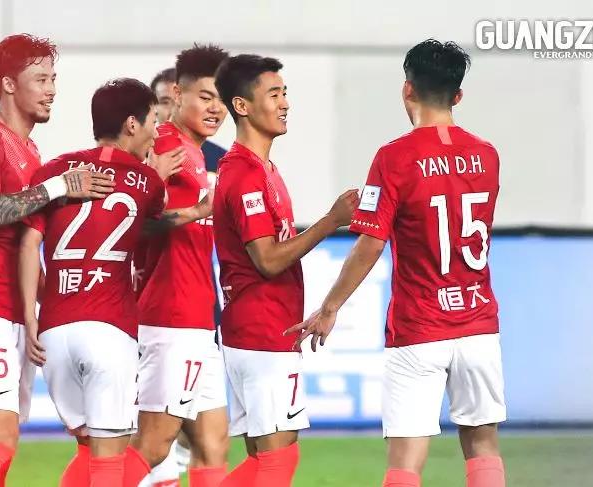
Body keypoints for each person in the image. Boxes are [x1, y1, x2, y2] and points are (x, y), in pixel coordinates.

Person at [287, 39, 507, 487]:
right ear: (458, 95)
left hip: (419, 326)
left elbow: (370, 243)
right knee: (483, 446)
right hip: (478, 323)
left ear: (407, 89)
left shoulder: (394, 157)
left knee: (405, 461)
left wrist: (330, 307)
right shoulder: (487, 155)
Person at [19, 77, 211, 486]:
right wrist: (180, 196)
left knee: (86, 450)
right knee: (110, 462)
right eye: (152, 121)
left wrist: (31, 316)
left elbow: (29, 242)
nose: (156, 133)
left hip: (53, 332)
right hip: (109, 330)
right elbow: (152, 221)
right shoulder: (147, 182)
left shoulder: (54, 169)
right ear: (131, 124)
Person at [0, 33, 116, 487]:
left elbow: (28, 242)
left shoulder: (30, 151)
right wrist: (57, 187)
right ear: (8, 84)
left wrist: (49, 306)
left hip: (13, 309)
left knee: (5, 443)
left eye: (53, 79)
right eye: (40, 79)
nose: (52, 89)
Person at [213, 54, 358, 487]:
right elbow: (268, 259)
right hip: (262, 332)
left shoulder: (263, 169)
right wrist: (331, 221)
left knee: (264, 460)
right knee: (278, 462)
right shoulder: (244, 174)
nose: (285, 103)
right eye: (274, 94)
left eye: (285, 93)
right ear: (242, 106)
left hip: (259, 330)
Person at [126, 44, 231, 487]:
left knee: (213, 445)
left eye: (221, 99)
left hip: (199, 318)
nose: (216, 109)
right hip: (171, 316)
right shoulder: (163, 145)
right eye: (205, 97)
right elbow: (133, 221)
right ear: (176, 94)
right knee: (153, 445)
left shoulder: (200, 153)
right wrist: (198, 211)